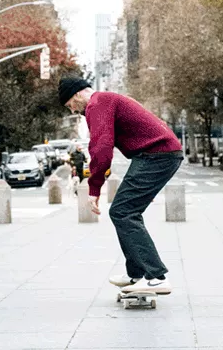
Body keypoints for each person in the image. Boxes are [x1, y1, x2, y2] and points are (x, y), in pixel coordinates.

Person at [58, 76, 182, 296]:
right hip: (158, 154)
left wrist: (94, 188)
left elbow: (101, 147)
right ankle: (136, 274)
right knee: (126, 211)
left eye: (70, 105)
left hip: (156, 155)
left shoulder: (96, 105)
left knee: (123, 212)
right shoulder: (106, 100)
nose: (73, 111)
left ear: (76, 94)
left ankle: (156, 277)